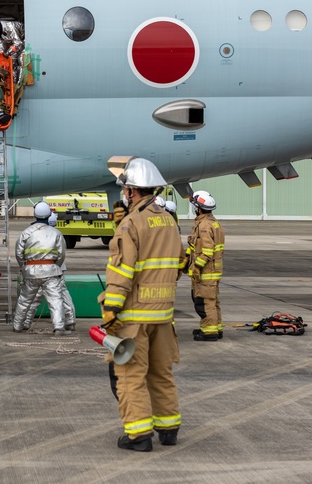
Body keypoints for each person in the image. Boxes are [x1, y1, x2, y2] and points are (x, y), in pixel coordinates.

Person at [102, 157, 183, 452]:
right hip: (163, 314)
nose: (125, 194)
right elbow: (179, 262)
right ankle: (169, 428)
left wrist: (112, 308)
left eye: (126, 190)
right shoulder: (168, 221)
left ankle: (138, 436)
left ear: (133, 191)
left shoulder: (131, 224)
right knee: (161, 372)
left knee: (130, 376)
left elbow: (122, 270)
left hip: (134, 316)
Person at [13, 201, 68, 335]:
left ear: (35, 214)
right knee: (55, 300)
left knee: (24, 300)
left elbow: (19, 254)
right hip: (51, 271)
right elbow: (61, 255)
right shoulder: (56, 233)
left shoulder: (26, 233)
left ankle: (18, 325)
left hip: (31, 271)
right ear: (49, 215)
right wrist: (55, 267)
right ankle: (59, 327)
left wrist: (24, 267)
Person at [183, 190, 224, 341]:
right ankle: (216, 328)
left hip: (206, 272)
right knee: (213, 301)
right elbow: (196, 246)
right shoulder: (213, 223)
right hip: (214, 271)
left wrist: (196, 267)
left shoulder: (204, 226)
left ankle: (209, 332)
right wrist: (187, 258)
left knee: (204, 302)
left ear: (199, 209)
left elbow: (206, 251)